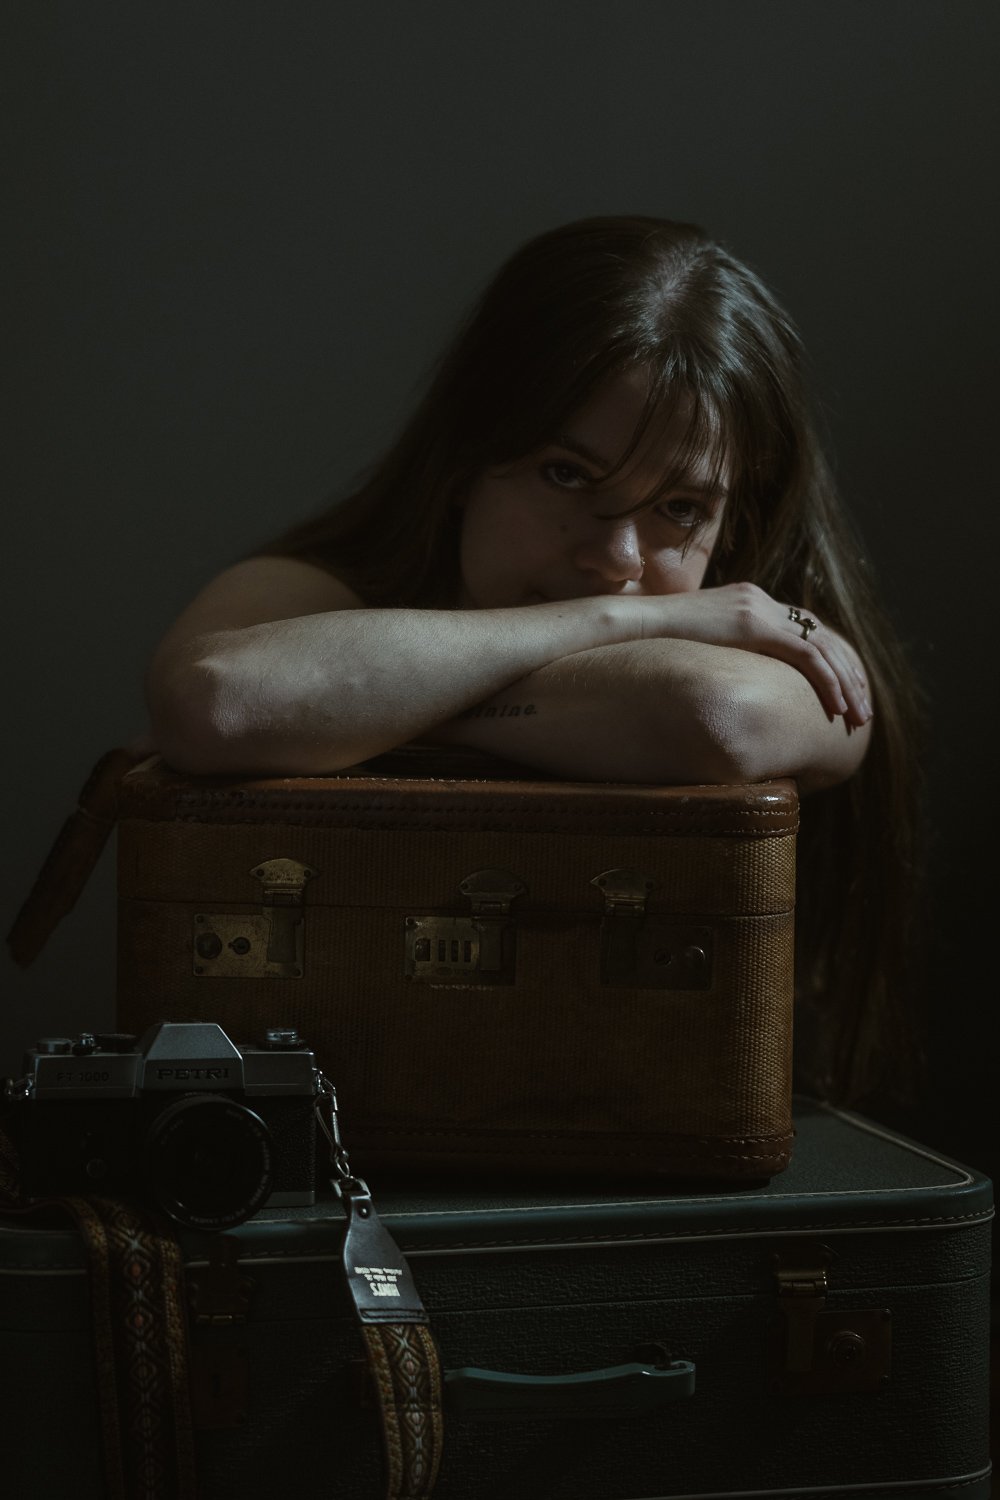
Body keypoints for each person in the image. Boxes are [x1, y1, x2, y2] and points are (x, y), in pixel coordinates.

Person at [146, 215, 926, 1112]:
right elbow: (219, 702)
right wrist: (605, 622)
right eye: (566, 475)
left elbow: (711, 716)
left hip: (652, 1137)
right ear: (470, 455)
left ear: (735, 521)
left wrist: (360, 706)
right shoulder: (316, 583)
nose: (618, 558)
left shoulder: (787, 644)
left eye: (679, 507)